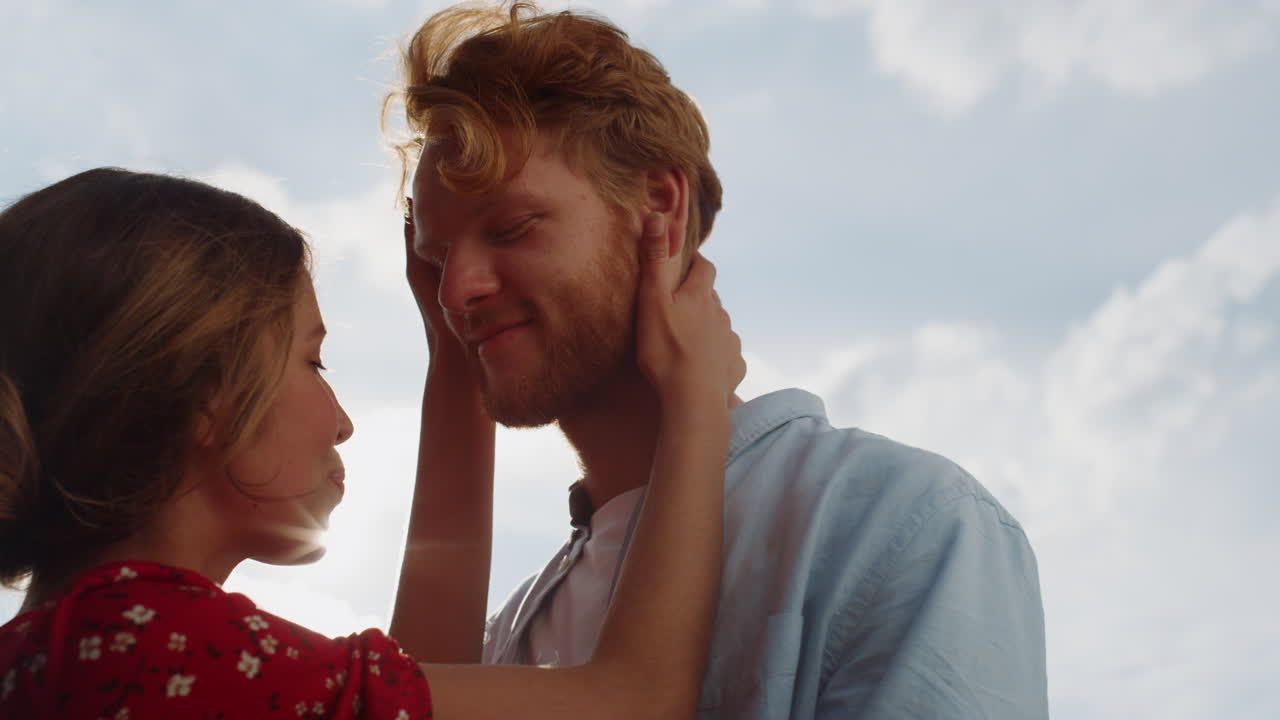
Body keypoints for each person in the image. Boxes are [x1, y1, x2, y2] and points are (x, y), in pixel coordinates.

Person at [390, 2, 1049, 718]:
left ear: (660, 209)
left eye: (511, 226)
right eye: (437, 258)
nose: (456, 291)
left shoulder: (903, 523)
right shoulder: (509, 637)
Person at [0, 167, 744, 718]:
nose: (341, 419)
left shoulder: (68, 650)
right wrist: (695, 400)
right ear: (205, 396)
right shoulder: (160, 650)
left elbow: (421, 676)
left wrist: (456, 361)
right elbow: (636, 699)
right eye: (311, 360)